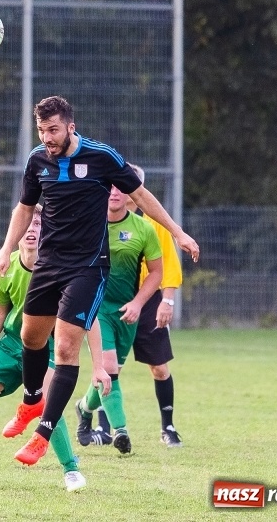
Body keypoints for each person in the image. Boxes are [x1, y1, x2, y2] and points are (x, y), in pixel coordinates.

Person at [0, 96, 199, 466]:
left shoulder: (102, 157)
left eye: (53, 129)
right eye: (42, 130)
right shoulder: (38, 160)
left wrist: (177, 232)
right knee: (30, 338)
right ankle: (30, 401)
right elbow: (24, 208)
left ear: (71, 126)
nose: (47, 137)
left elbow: (141, 195)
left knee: (68, 349)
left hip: (87, 268)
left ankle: (43, 433)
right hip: (49, 266)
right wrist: (5, 250)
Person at [0, 205, 104, 492]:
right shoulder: (6, 266)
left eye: (40, 224)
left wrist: (99, 366)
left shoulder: (63, 269)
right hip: (12, 344)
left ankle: (71, 470)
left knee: (50, 403)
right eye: (29, 223)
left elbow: (91, 318)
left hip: (47, 347)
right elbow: (1, 312)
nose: (32, 229)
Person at [91, 164, 184, 448]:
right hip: (111, 303)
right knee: (108, 366)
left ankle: (167, 427)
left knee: (158, 366)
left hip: (148, 302)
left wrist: (166, 301)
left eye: (130, 184)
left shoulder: (153, 223)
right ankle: (104, 427)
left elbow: (166, 266)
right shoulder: (99, 217)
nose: (122, 189)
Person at [73, 183, 163, 455]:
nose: (114, 193)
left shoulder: (143, 229)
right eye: (109, 188)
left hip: (126, 313)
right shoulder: (89, 223)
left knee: (110, 376)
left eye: (120, 188)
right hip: (96, 306)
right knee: (109, 366)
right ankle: (121, 431)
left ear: (130, 195)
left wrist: (138, 303)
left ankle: (84, 407)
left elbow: (157, 272)